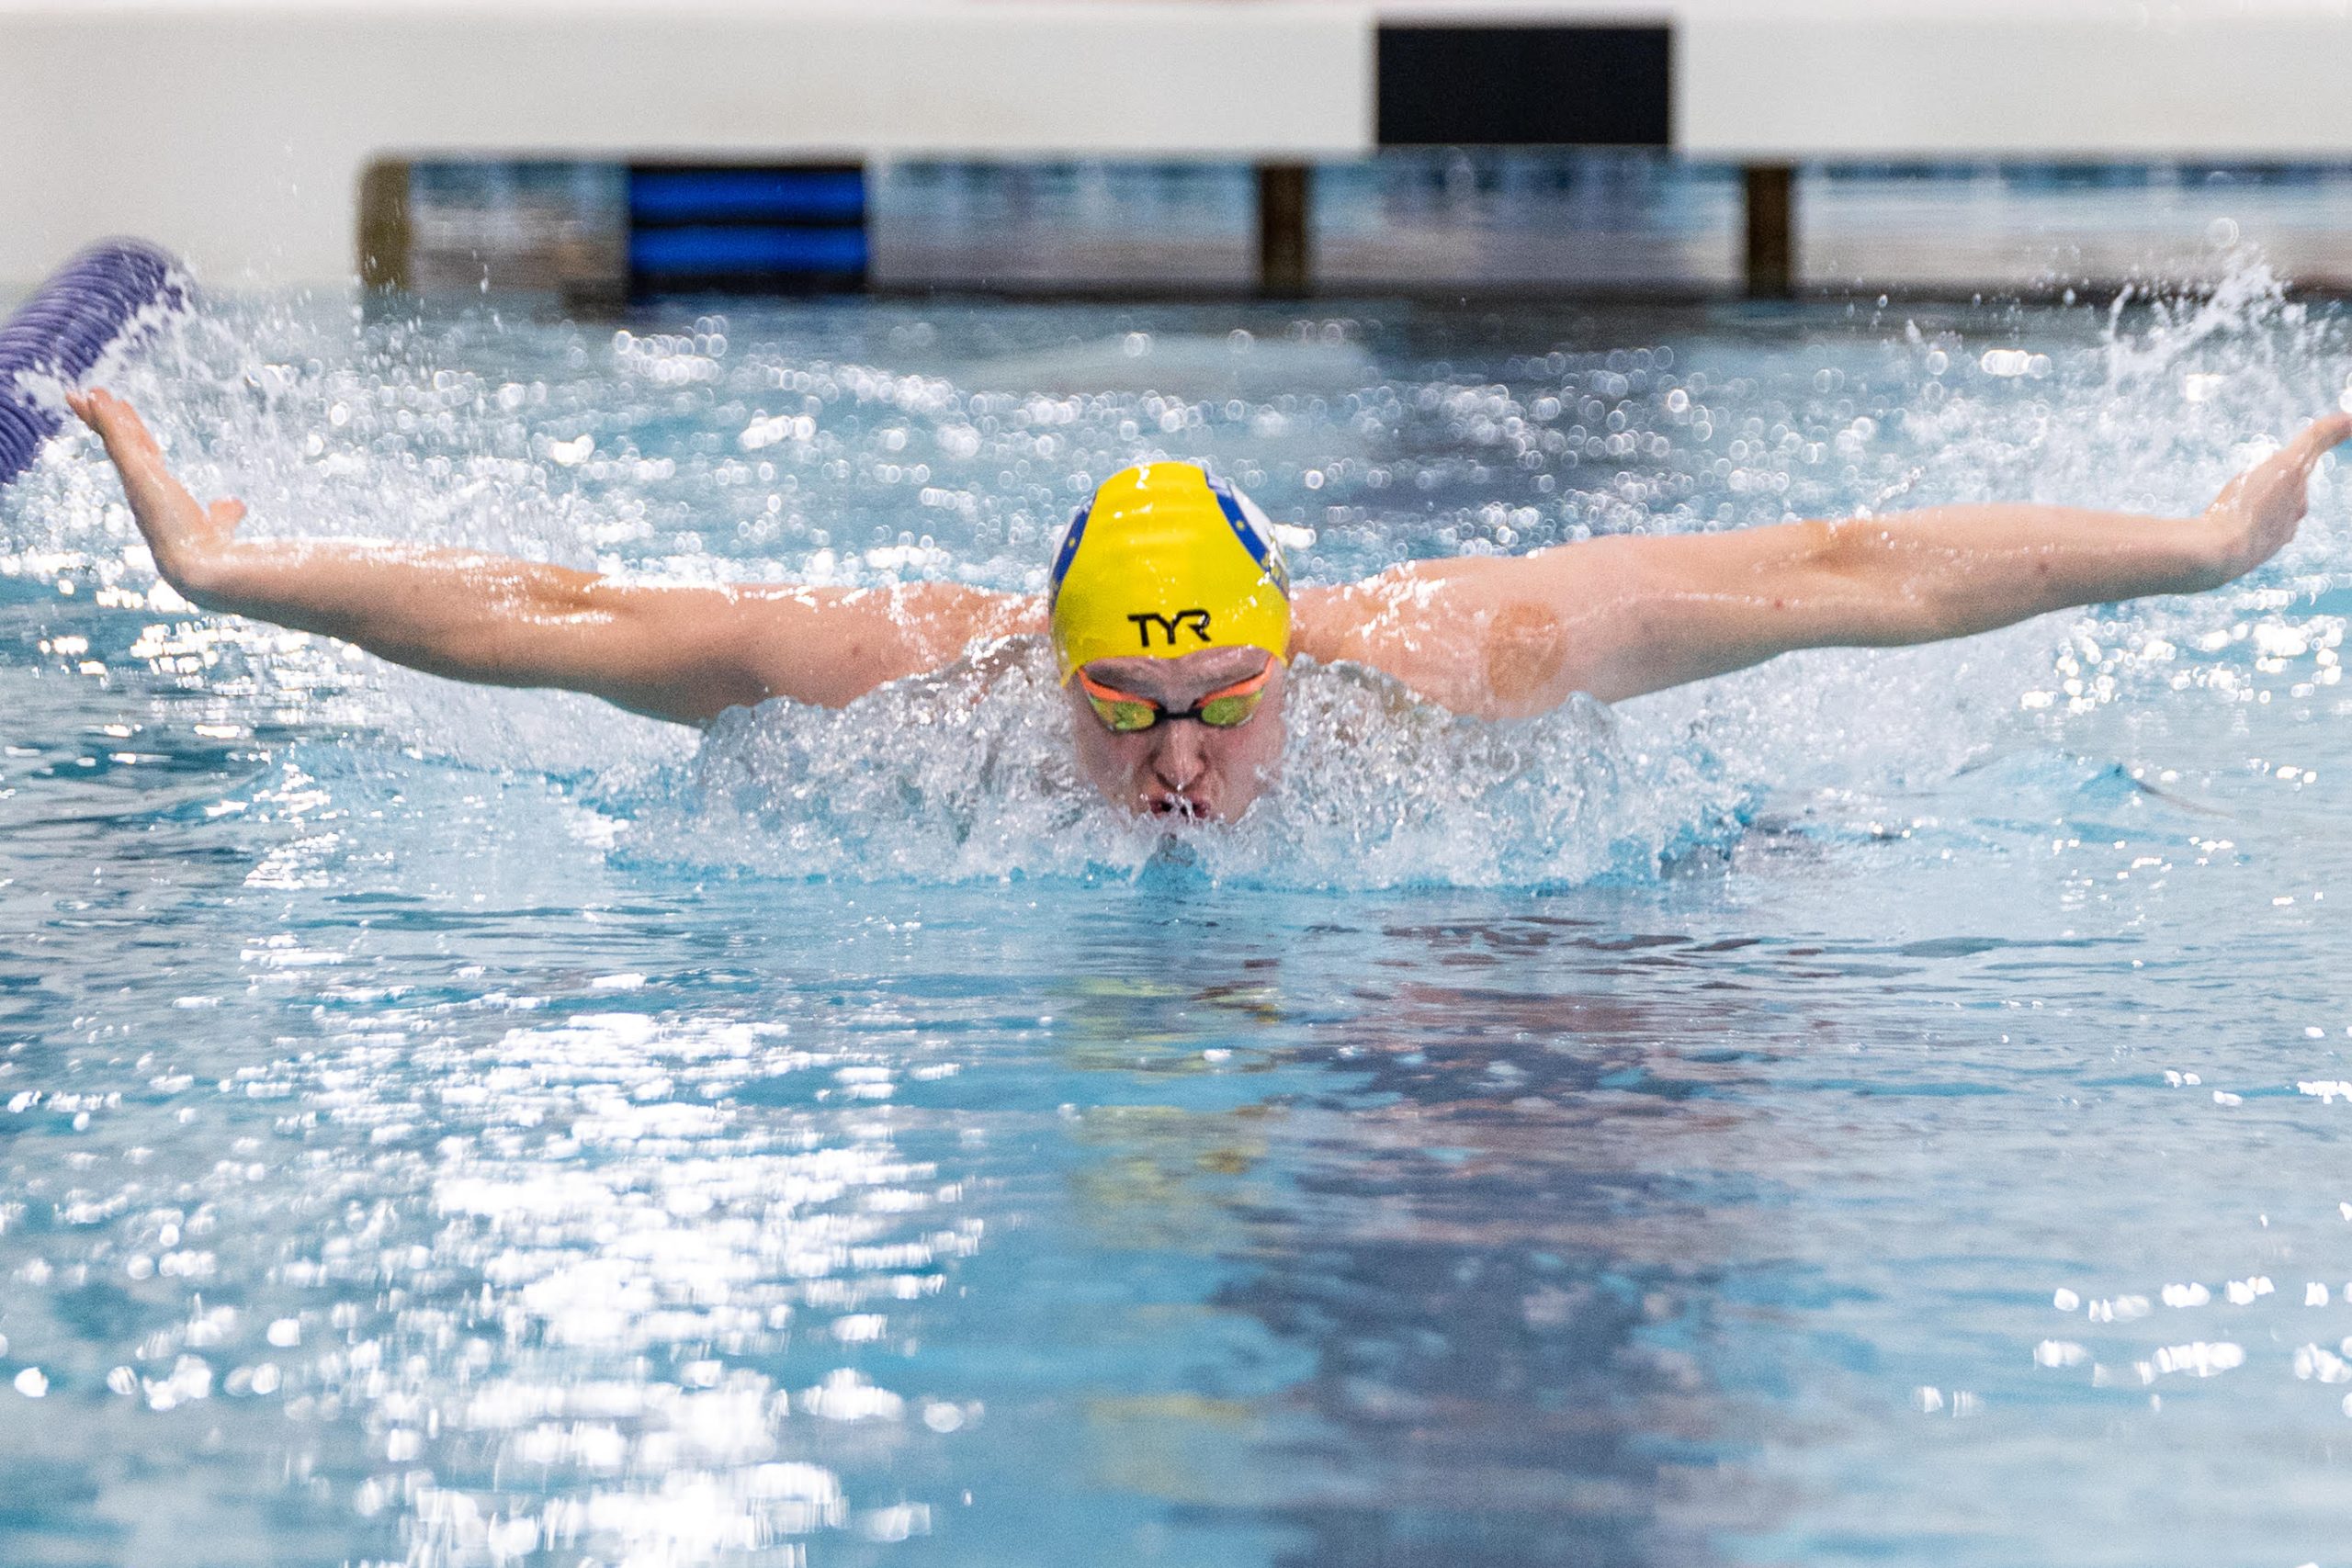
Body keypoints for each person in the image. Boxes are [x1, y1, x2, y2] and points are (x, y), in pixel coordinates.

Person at [66, 387, 2351, 822]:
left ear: (1290, 644)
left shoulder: (1454, 659)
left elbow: (1835, 575)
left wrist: (2193, 547)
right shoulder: (914, 674)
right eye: (1123, 708)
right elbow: (558, 608)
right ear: (1041, 665)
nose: (1175, 761)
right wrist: (233, 567)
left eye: (1221, 702)